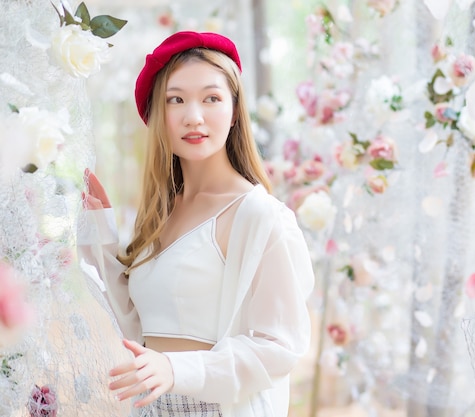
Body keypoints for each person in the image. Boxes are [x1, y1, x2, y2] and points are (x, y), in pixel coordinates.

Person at [78, 31, 315, 417]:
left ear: (235, 110)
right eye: (176, 100)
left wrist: (175, 368)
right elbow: (137, 327)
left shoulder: (260, 217)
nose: (194, 117)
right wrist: (101, 238)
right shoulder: (160, 213)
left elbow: (279, 347)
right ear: (158, 115)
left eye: (211, 98)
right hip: (150, 409)